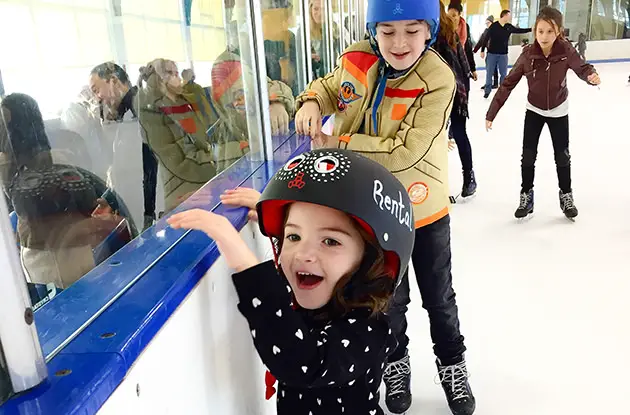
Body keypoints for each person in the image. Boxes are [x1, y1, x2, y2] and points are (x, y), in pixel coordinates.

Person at [293, 0, 476, 414]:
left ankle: (452, 365)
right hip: (370, 209)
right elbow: (328, 86)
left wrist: (338, 145)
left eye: (412, 30)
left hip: (422, 209)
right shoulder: (357, 58)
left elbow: (404, 151)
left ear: (429, 30)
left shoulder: (437, 79)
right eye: (387, 30)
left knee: (438, 297)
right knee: (386, 299)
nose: (399, 42)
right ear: (374, 28)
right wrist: (310, 102)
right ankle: (395, 363)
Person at [167, 148, 415, 415]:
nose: (303, 255)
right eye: (294, 237)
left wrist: (241, 258)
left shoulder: (370, 330)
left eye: (330, 241)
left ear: (371, 259)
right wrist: (270, 211)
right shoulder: (320, 293)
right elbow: (288, 266)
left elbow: (302, 363)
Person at [485, 6, 600, 220]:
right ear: (535, 31)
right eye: (540, 31)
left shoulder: (565, 50)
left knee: (562, 156)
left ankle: (566, 196)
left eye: (549, 31)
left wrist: (591, 75)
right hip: (534, 110)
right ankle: (526, 195)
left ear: (558, 32)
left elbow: (581, 67)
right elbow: (508, 83)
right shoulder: (528, 54)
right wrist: (492, 112)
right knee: (528, 157)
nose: (544, 36)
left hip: (558, 110)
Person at [90, 63, 158, 231]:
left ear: (113, 81)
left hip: (148, 210)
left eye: (96, 89)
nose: (98, 98)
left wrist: (148, 217)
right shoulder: (126, 114)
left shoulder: (137, 112)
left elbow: (144, 170)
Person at [443, 1, 477, 198]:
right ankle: (437, 185)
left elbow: (465, 55)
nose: (451, 18)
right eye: (449, 15)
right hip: (436, 92)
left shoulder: (456, 33)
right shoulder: (427, 37)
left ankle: (469, 176)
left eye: (455, 15)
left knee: (459, 131)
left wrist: (470, 71)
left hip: (458, 88)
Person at [477, 9, 532, 98]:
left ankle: (502, 91)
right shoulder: (494, 26)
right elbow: (486, 38)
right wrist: (482, 50)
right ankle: (487, 90)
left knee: (503, 74)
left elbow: (519, 30)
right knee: (489, 73)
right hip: (492, 54)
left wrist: (530, 29)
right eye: (509, 15)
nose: (510, 17)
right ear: (504, 15)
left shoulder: (508, 26)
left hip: (503, 54)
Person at [474, 15, 499, 90]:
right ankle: (488, 83)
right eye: (486, 23)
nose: (487, 24)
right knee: (489, 68)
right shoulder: (486, 31)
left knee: (493, 68)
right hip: (489, 53)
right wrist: (475, 50)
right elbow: (481, 41)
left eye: (488, 23)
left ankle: (495, 83)